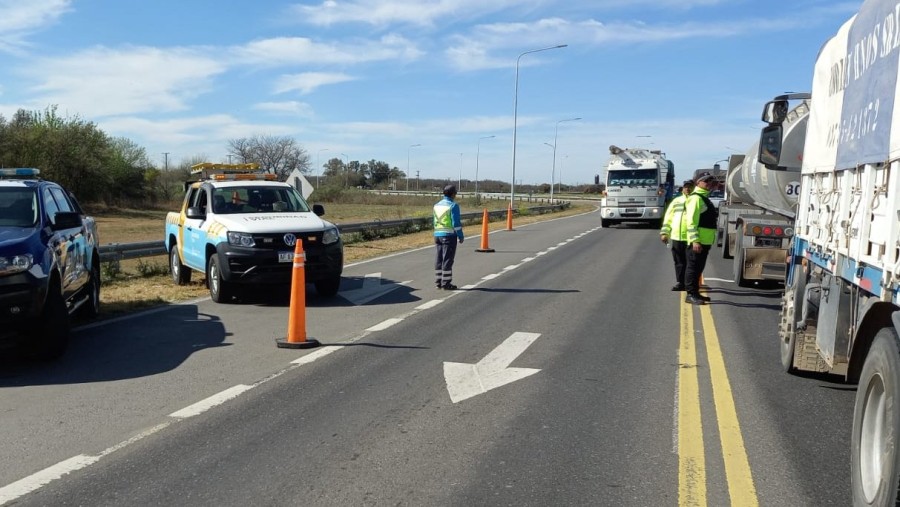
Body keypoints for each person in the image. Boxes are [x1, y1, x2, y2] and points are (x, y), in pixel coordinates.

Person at [683, 173, 719, 304]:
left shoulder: (704, 197)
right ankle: (690, 294)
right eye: (706, 181)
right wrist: (695, 240)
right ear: (698, 183)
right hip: (698, 241)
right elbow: (691, 222)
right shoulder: (696, 198)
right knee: (693, 268)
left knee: (698, 268)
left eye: (710, 181)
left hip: (705, 241)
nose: (709, 183)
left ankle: (696, 293)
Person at [660, 180, 695, 291]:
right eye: (686, 187)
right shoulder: (676, 201)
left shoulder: (696, 200)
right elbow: (668, 218)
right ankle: (681, 283)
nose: (688, 189)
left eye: (690, 187)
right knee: (679, 262)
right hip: (677, 237)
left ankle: (691, 284)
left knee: (691, 263)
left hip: (691, 238)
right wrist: (665, 233)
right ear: (682, 189)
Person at [433, 184, 464, 290]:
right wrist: (460, 236)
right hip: (449, 235)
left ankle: (438, 281)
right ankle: (446, 283)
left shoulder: (436, 205)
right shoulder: (453, 206)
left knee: (439, 258)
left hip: (437, 234)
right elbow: (456, 223)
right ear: (453, 194)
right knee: (447, 259)